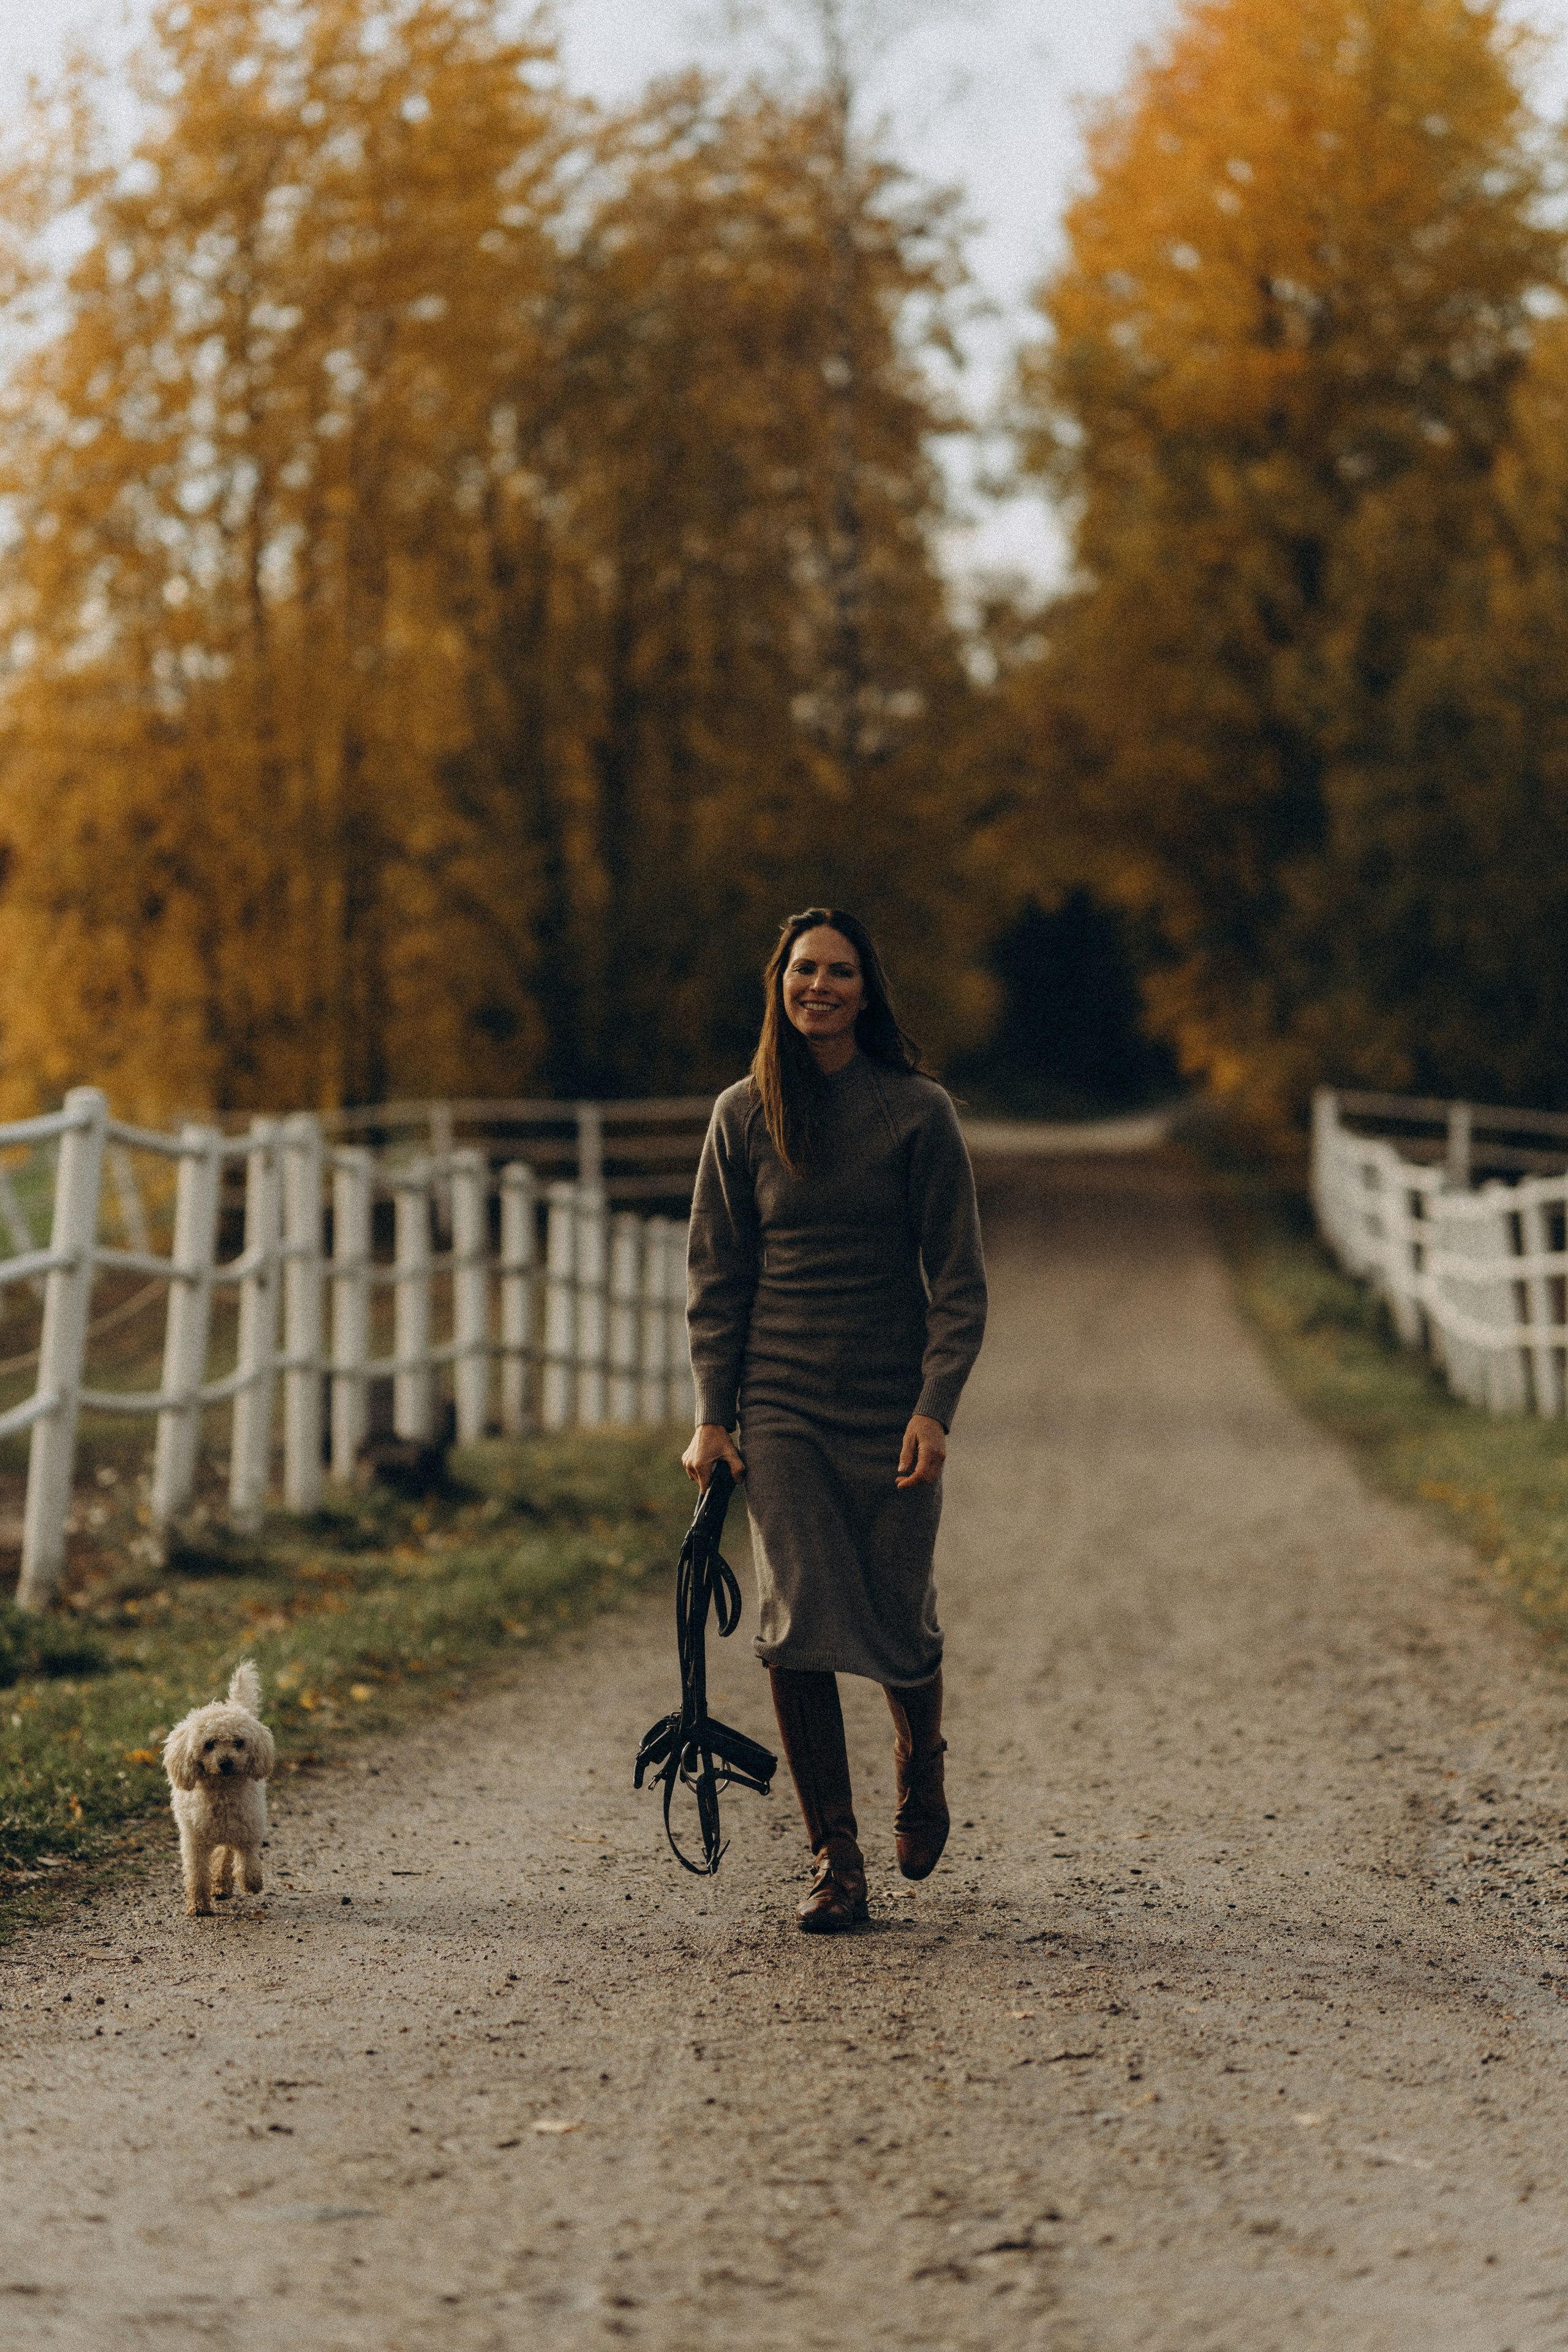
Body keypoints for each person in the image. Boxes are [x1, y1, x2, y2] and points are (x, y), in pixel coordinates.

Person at [683, 908, 987, 1931]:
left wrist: (934, 1409)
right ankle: (835, 1859)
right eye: (805, 970)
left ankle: (921, 1759)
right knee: (798, 1623)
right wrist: (712, 1417)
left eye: (841, 971)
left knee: (900, 1616)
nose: (821, 986)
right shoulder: (742, 1114)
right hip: (782, 1409)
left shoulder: (917, 1112)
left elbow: (959, 1282)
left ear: (868, 989)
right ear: (779, 983)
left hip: (890, 1404)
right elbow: (717, 1279)